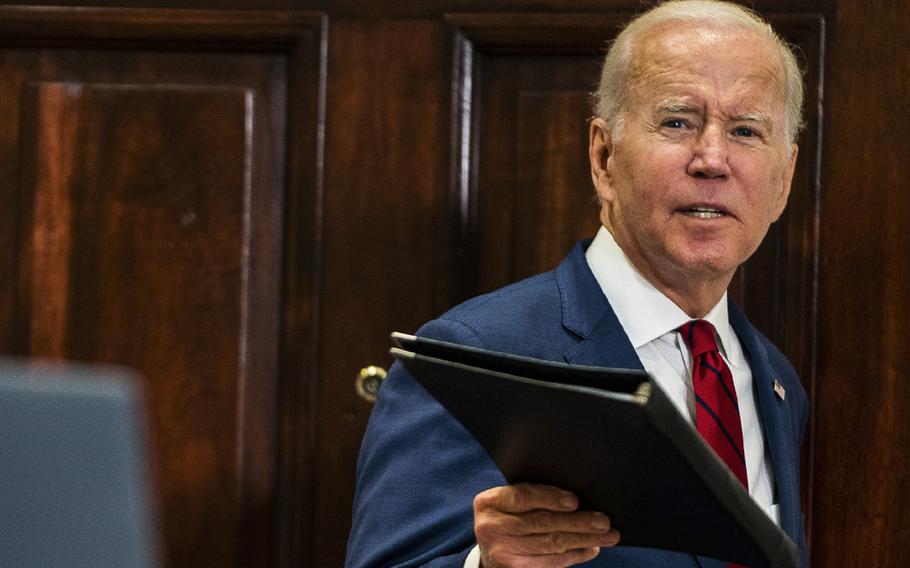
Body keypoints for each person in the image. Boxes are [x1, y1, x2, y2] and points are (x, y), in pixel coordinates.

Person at [346, 1, 810, 566]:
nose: (712, 158)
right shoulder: (469, 359)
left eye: (744, 130)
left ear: (783, 180)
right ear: (603, 156)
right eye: (677, 122)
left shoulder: (776, 381)